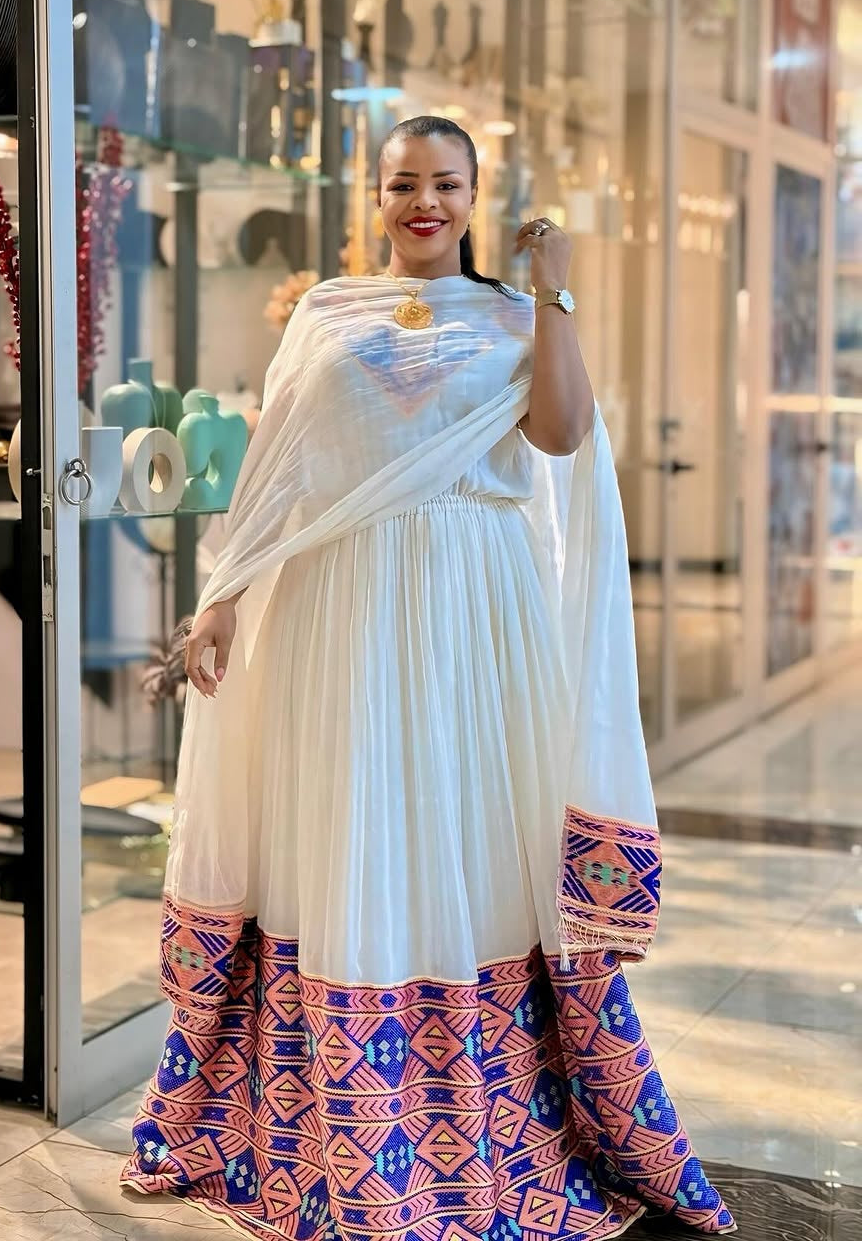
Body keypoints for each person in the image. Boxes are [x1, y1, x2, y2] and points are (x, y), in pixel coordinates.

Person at [121, 116, 735, 1240]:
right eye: (404, 183)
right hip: (339, 606)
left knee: (457, 831)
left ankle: (473, 1123)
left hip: (471, 604)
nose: (424, 202)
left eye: (446, 184)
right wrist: (220, 597)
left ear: (473, 194)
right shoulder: (326, 312)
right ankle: (335, 1125)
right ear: (376, 193)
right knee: (350, 824)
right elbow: (275, 471)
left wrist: (554, 288)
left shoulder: (512, 313)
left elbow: (560, 433)